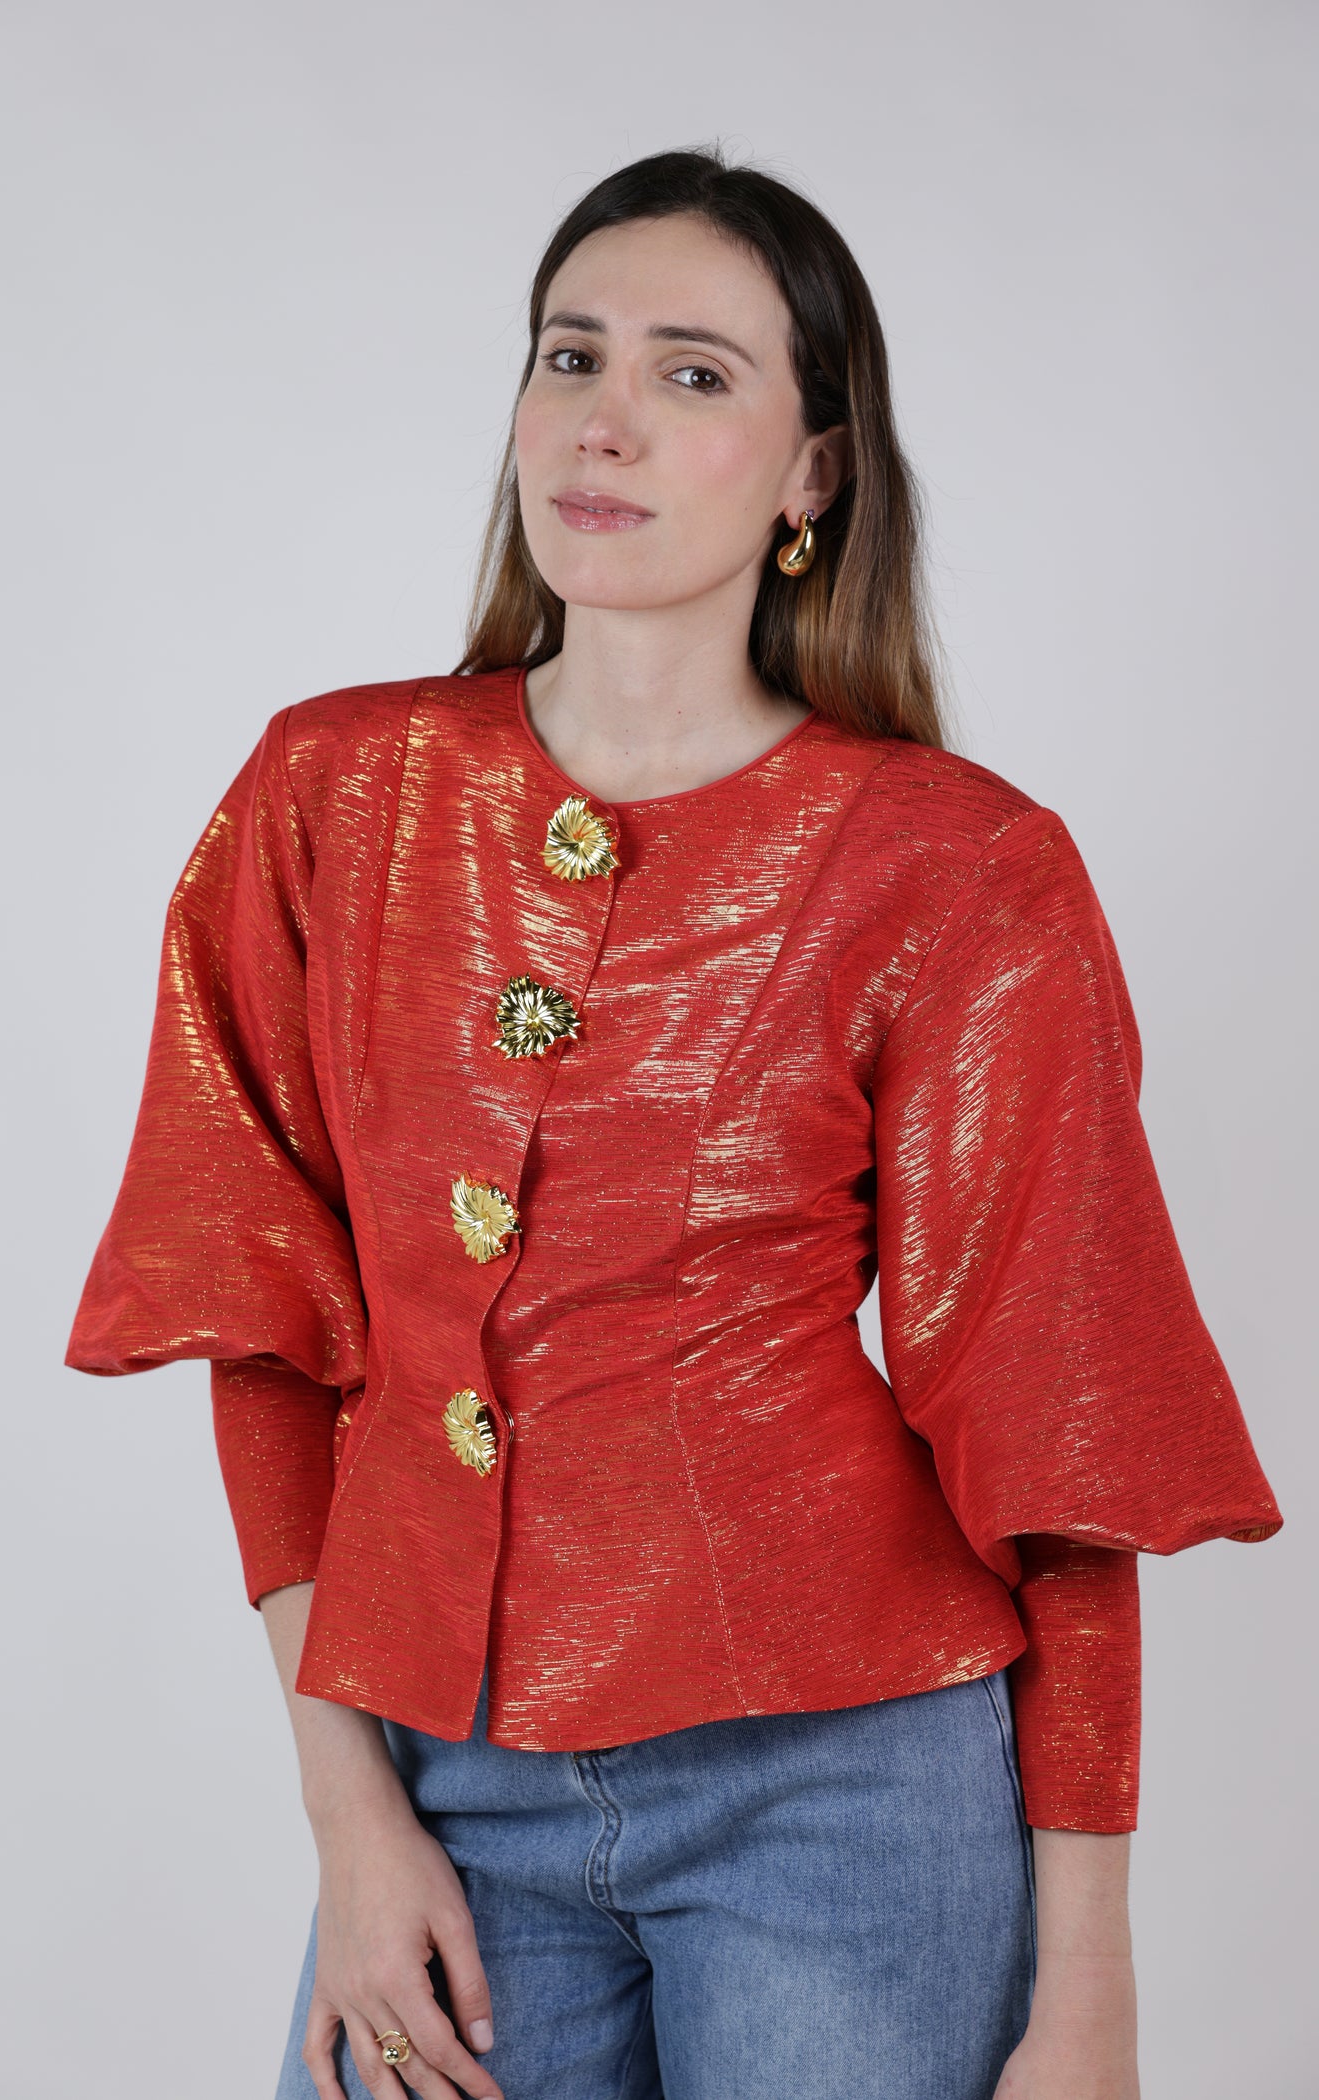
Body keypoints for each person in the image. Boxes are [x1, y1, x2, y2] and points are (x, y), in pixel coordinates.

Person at [66, 147, 1281, 2100]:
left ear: (815, 472)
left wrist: (1089, 1991)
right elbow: (267, 1326)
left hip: (851, 1792)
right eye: (571, 355)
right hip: (439, 1778)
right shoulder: (334, 796)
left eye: (693, 373)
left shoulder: (960, 868)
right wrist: (349, 1818)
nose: (604, 418)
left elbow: (1059, 1438)